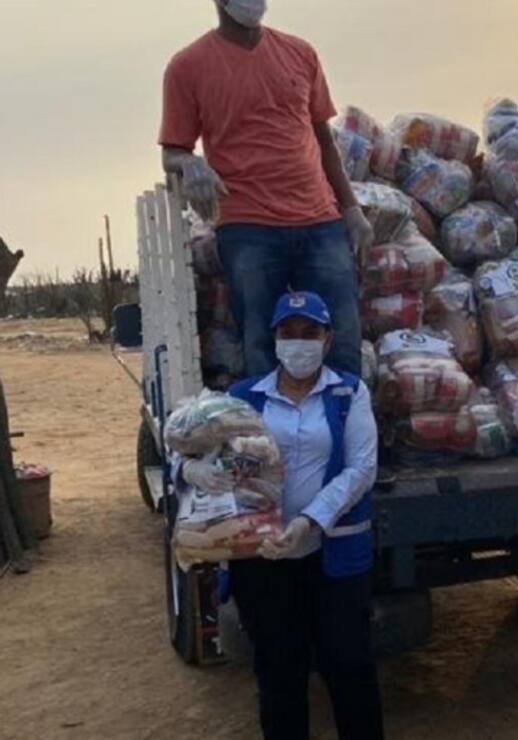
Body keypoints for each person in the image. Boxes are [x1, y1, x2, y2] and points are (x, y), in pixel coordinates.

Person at [158, 0, 372, 377]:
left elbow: (323, 138)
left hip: (319, 221)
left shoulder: (300, 53)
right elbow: (172, 150)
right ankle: (268, 442)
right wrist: (190, 163)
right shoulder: (188, 66)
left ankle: (346, 433)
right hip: (249, 227)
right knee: (260, 340)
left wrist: (350, 208)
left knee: (342, 334)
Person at [178, 291, 383, 740]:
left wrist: (308, 521)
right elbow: (189, 447)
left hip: (334, 555)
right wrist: (191, 467)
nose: (299, 343)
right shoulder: (244, 396)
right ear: (274, 340)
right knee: (278, 674)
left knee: (349, 668)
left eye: (310, 333)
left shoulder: (349, 391)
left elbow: (361, 468)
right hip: (261, 559)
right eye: (288, 334)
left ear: (328, 339)